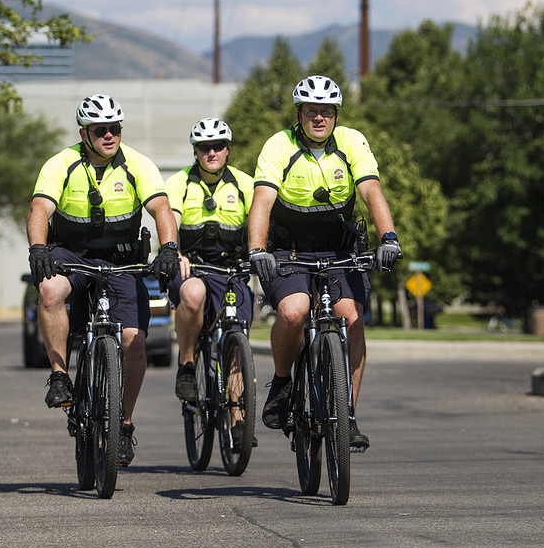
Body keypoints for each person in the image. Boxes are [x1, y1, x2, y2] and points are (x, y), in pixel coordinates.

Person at [247, 75, 402, 451]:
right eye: (312, 111)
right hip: (290, 252)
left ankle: (346, 415)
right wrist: (256, 249)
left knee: (352, 318)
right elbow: (263, 201)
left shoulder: (351, 141)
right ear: (298, 114)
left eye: (327, 111)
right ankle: (283, 383)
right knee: (295, 311)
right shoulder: (279, 144)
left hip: (340, 251)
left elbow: (371, 191)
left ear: (336, 115)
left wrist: (389, 237)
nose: (320, 118)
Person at [27, 93, 180, 467]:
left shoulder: (138, 165)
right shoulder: (61, 163)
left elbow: (161, 207)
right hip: (71, 255)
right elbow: (39, 208)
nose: (109, 136)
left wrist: (169, 247)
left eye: (115, 129)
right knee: (49, 290)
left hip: (121, 259)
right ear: (84, 133)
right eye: (100, 130)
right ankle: (60, 376)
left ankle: (123, 424)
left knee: (135, 341)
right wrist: (38, 248)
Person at [163, 117, 258, 447]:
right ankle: (187, 366)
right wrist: (174, 251)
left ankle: (238, 420)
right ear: (196, 151)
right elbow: (170, 221)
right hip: (191, 268)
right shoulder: (179, 183)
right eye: (205, 147)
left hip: (230, 270)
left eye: (218, 146)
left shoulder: (246, 184)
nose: (212, 152)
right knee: (193, 292)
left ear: (228, 149)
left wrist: (259, 253)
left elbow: (260, 222)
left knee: (236, 337)